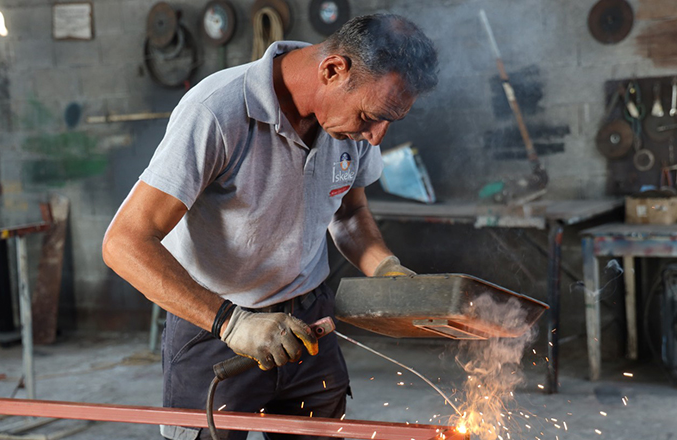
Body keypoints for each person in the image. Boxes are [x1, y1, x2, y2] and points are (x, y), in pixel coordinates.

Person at [102, 14, 438, 440]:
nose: (375, 138)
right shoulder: (217, 111)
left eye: (391, 121)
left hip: (310, 323)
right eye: (371, 116)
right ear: (334, 70)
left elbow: (349, 213)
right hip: (216, 328)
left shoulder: (350, 127)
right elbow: (123, 242)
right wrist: (232, 323)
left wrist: (385, 267)